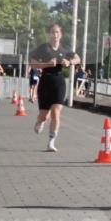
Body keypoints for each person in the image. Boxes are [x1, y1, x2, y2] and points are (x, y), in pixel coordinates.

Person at [29, 24, 79, 152]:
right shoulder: (43, 48)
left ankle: (51, 142)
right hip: (45, 81)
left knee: (56, 112)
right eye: (52, 32)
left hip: (59, 82)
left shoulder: (65, 49)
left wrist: (69, 62)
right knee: (44, 115)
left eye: (57, 32)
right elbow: (33, 63)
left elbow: (77, 58)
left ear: (60, 35)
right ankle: (40, 121)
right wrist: (47, 64)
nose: (55, 34)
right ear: (49, 34)